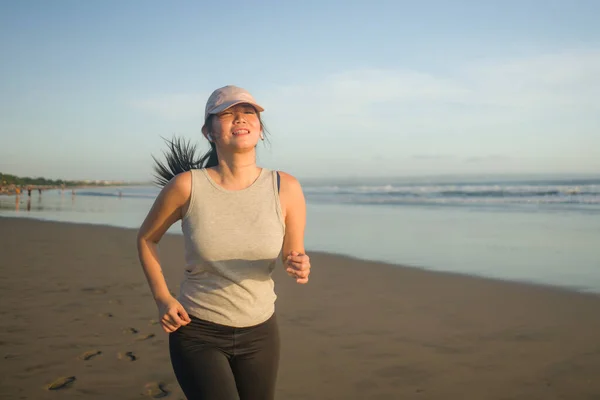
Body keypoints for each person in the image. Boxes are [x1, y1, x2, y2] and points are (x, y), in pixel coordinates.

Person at [136, 85, 311, 400]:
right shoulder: (187, 186)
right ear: (209, 131)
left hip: (261, 333)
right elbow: (147, 239)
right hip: (198, 331)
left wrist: (298, 264)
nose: (239, 118)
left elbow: (292, 253)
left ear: (259, 128)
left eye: (248, 112)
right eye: (227, 114)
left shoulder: (286, 187)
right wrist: (163, 299)